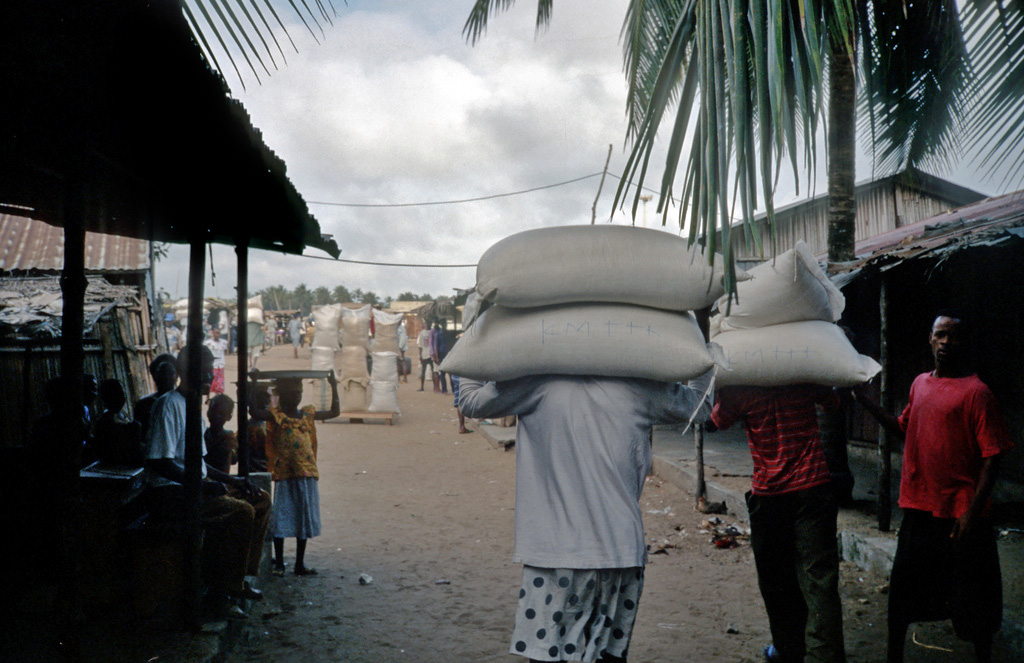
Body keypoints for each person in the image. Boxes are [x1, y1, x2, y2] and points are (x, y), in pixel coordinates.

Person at [459, 367, 713, 662]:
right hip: (622, 553)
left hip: (557, 556)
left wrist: (474, 343)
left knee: (548, 657)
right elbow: (701, 404)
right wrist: (705, 351)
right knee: (606, 656)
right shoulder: (641, 386)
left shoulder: (535, 382)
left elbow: (470, 401)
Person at [854, 311, 1013, 663]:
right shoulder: (919, 384)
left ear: (963, 342)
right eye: (940, 335)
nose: (946, 343)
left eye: (953, 337)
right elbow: (902, 427)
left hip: (961, 517)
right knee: (903, 594)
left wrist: (972, 513)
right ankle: (894, 655)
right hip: (919, 509)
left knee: (974, 599)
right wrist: (864, 401)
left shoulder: (977, 393)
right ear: (930, 339)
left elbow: (992, 458)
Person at [708, 384, 846, 663]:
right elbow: (833, 403)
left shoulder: (741, 387)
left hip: (769, 494)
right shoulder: (803, 375)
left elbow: (716, 423)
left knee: (776, 580)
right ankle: (824, 656)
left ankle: (788, 648)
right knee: (819, 578)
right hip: (813, 487)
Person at [144, 346, 271, 618]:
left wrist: (232, 478)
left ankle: (238, 581)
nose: (209, 376)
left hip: (190, 489)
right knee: (239, 511)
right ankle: (220, 593)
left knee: (259, 498)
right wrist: (201, 485)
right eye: (204, 370)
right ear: (185, 372)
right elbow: (158, 462)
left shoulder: (192, 408)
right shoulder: (168, 406)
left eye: (210, 370)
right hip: (169, 495)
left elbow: (201, 465)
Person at [252, 373, 339, 577]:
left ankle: (299, 564)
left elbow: (335, 411)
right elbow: (254, 412)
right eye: (292, 393)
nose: (296, 397)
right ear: (281, 395)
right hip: (284, 474)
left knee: (303, 518)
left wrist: (333, 386)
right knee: (281, 517)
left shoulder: (307, 414)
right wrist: (255, 384)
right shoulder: (276, 415)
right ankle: (280, 563)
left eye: (298, 393)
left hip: (306, 473)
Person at [92, 378, 144, 467]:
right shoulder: (106, 420)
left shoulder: (122, 414)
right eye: (118, 394)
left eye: (123, 392)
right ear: (107, 398)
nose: (123, 396)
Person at [135, 353, 179, 440]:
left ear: (176, 376)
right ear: (154, 376)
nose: (166, 377)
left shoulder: (184, 402)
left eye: (170, 373)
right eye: (161, 373)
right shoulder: (144, 405)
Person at [204, 394, 237, 474]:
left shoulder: (228, 437)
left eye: (221, 413)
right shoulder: (204, 434)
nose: (215, 415)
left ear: (229, 417)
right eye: (213, 410)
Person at [203, 327, 229, 398]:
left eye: (218, 333)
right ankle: (207, 398)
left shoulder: (224, 342)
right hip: (212, 365)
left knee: (219, 383)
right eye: (216, 333)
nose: (217, 334)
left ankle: (217, 398)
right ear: (213, 333)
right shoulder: (208, 343)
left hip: (220, 365)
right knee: (210, 381)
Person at [417, 322, 433, 392]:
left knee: (434, 371)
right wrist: (420, 355)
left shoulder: (432, 332)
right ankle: (422, 386)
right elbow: (420, 345)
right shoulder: (422, 333)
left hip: (431, 354)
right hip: (425, 354)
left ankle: (435, 386)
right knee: (423, 371)